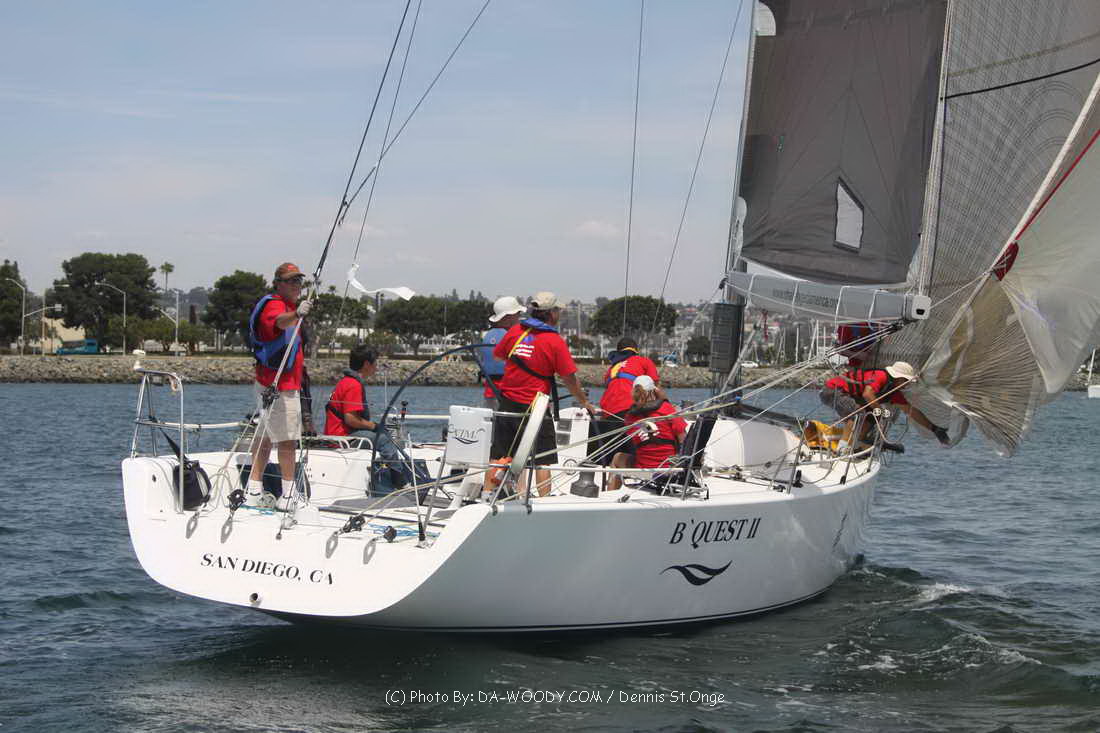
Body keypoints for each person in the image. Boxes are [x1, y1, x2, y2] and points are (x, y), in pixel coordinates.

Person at [492, 291, 596, 496]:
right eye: (558, 311)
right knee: (543, 459)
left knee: (499, 455)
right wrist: (584, 402)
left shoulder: (515, 331)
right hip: (535, 406)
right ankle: (544, 501)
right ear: (551, 313)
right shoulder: (554, 341)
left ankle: (489, 495)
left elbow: (498, 357)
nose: (560, 315)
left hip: (507, 401)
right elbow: (569, 379)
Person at [245, 262, 312, 510]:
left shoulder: (286, 305)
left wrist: (296, 312)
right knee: (287, 439)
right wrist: (297, 314)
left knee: (265, 436)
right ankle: (288, 494)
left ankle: (253, 489)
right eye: (291, 281)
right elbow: (279, 322)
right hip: (279, 386)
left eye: (298, 281)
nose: (296, 285)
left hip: (273, 384)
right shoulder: (275, 305)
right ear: (278, 283)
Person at [820, 361, 949, 449]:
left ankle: (856, 442)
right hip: (832, 390)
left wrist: (934, 428)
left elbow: (911, 411)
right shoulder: (881, 376)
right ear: (899, 378)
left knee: (872, 417)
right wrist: (880, 411)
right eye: (906, 381)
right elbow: (867, 394)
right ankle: (842, 449)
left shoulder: (893, 392)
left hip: (846, 395)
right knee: (857, 414)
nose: (907, 385)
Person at [607, 375, 687, 491]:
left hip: (642, 468)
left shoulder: (630, 417)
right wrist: (665, 400)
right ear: (654, 390)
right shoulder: (666, 409)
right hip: (667, 468)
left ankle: (610, 494)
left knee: (617, 458)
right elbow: (683, 438)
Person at [591, 336, 660, 463]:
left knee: (612, 456)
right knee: (637, 454)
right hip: (630, 410)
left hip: (608, 413)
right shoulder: (644, 361)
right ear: (636, 350)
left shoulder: (612, 369)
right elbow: (654, 388)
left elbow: (610, 386)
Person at [475, 296, 524, 410]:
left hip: (490, 391)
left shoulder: (487, 335)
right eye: (518, 314)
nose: (519, 318)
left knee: (492, 416)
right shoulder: (512, 336)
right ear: (509, 317)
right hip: (509, 393)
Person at [325, 344, 379, 437]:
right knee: (384, 440)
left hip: (334, 433)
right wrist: (374, 426)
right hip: (343, 435)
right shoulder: (354, 385)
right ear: (366, 364)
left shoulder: (345, 381)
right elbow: (351, 419)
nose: (376, 367)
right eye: (375, 363)